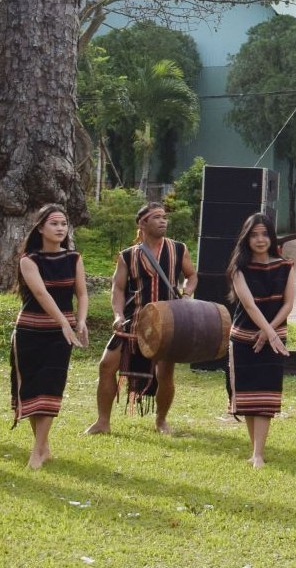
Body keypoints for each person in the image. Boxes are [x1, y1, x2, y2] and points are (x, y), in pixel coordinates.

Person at [86, 201, 197, 435]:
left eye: (164, 216)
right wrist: (118, 315)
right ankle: (102, 422)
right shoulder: (127, 256)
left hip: (168, 322)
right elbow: (117, 288)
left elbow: (191, 275)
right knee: (106, 365)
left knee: (165, 374)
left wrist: (187, 294)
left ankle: (161, 421)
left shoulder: (179, 249)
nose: (163, 220)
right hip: (133, 321)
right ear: (142, 223)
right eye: (157, 217)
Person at [10, 205, 88, 469]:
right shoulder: (29, 260)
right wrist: (64, 322)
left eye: (63, 224)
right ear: (41, 228)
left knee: (51, 386)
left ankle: (37, 452)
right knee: (32, 388)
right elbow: (41, 294)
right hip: (30, 333)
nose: (60, 228)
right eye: (54, 224)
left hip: (59, 336)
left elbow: (82, 294)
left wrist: (80, 321)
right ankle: (42, 448)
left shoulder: (74, 258)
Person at [225, 213, 293, 468]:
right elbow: (249, 305)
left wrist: (269, 332)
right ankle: (255, 450)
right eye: (254, 235)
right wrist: (269, 332)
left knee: (265, 397)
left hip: (273, 339)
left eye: (264, 234)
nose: (260, 239)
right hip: (244, 339)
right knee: (249, 398)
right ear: (246, 238)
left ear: (272, 237)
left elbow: (288, 305)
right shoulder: (238, 269)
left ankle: (258, 453)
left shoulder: (286, 266)